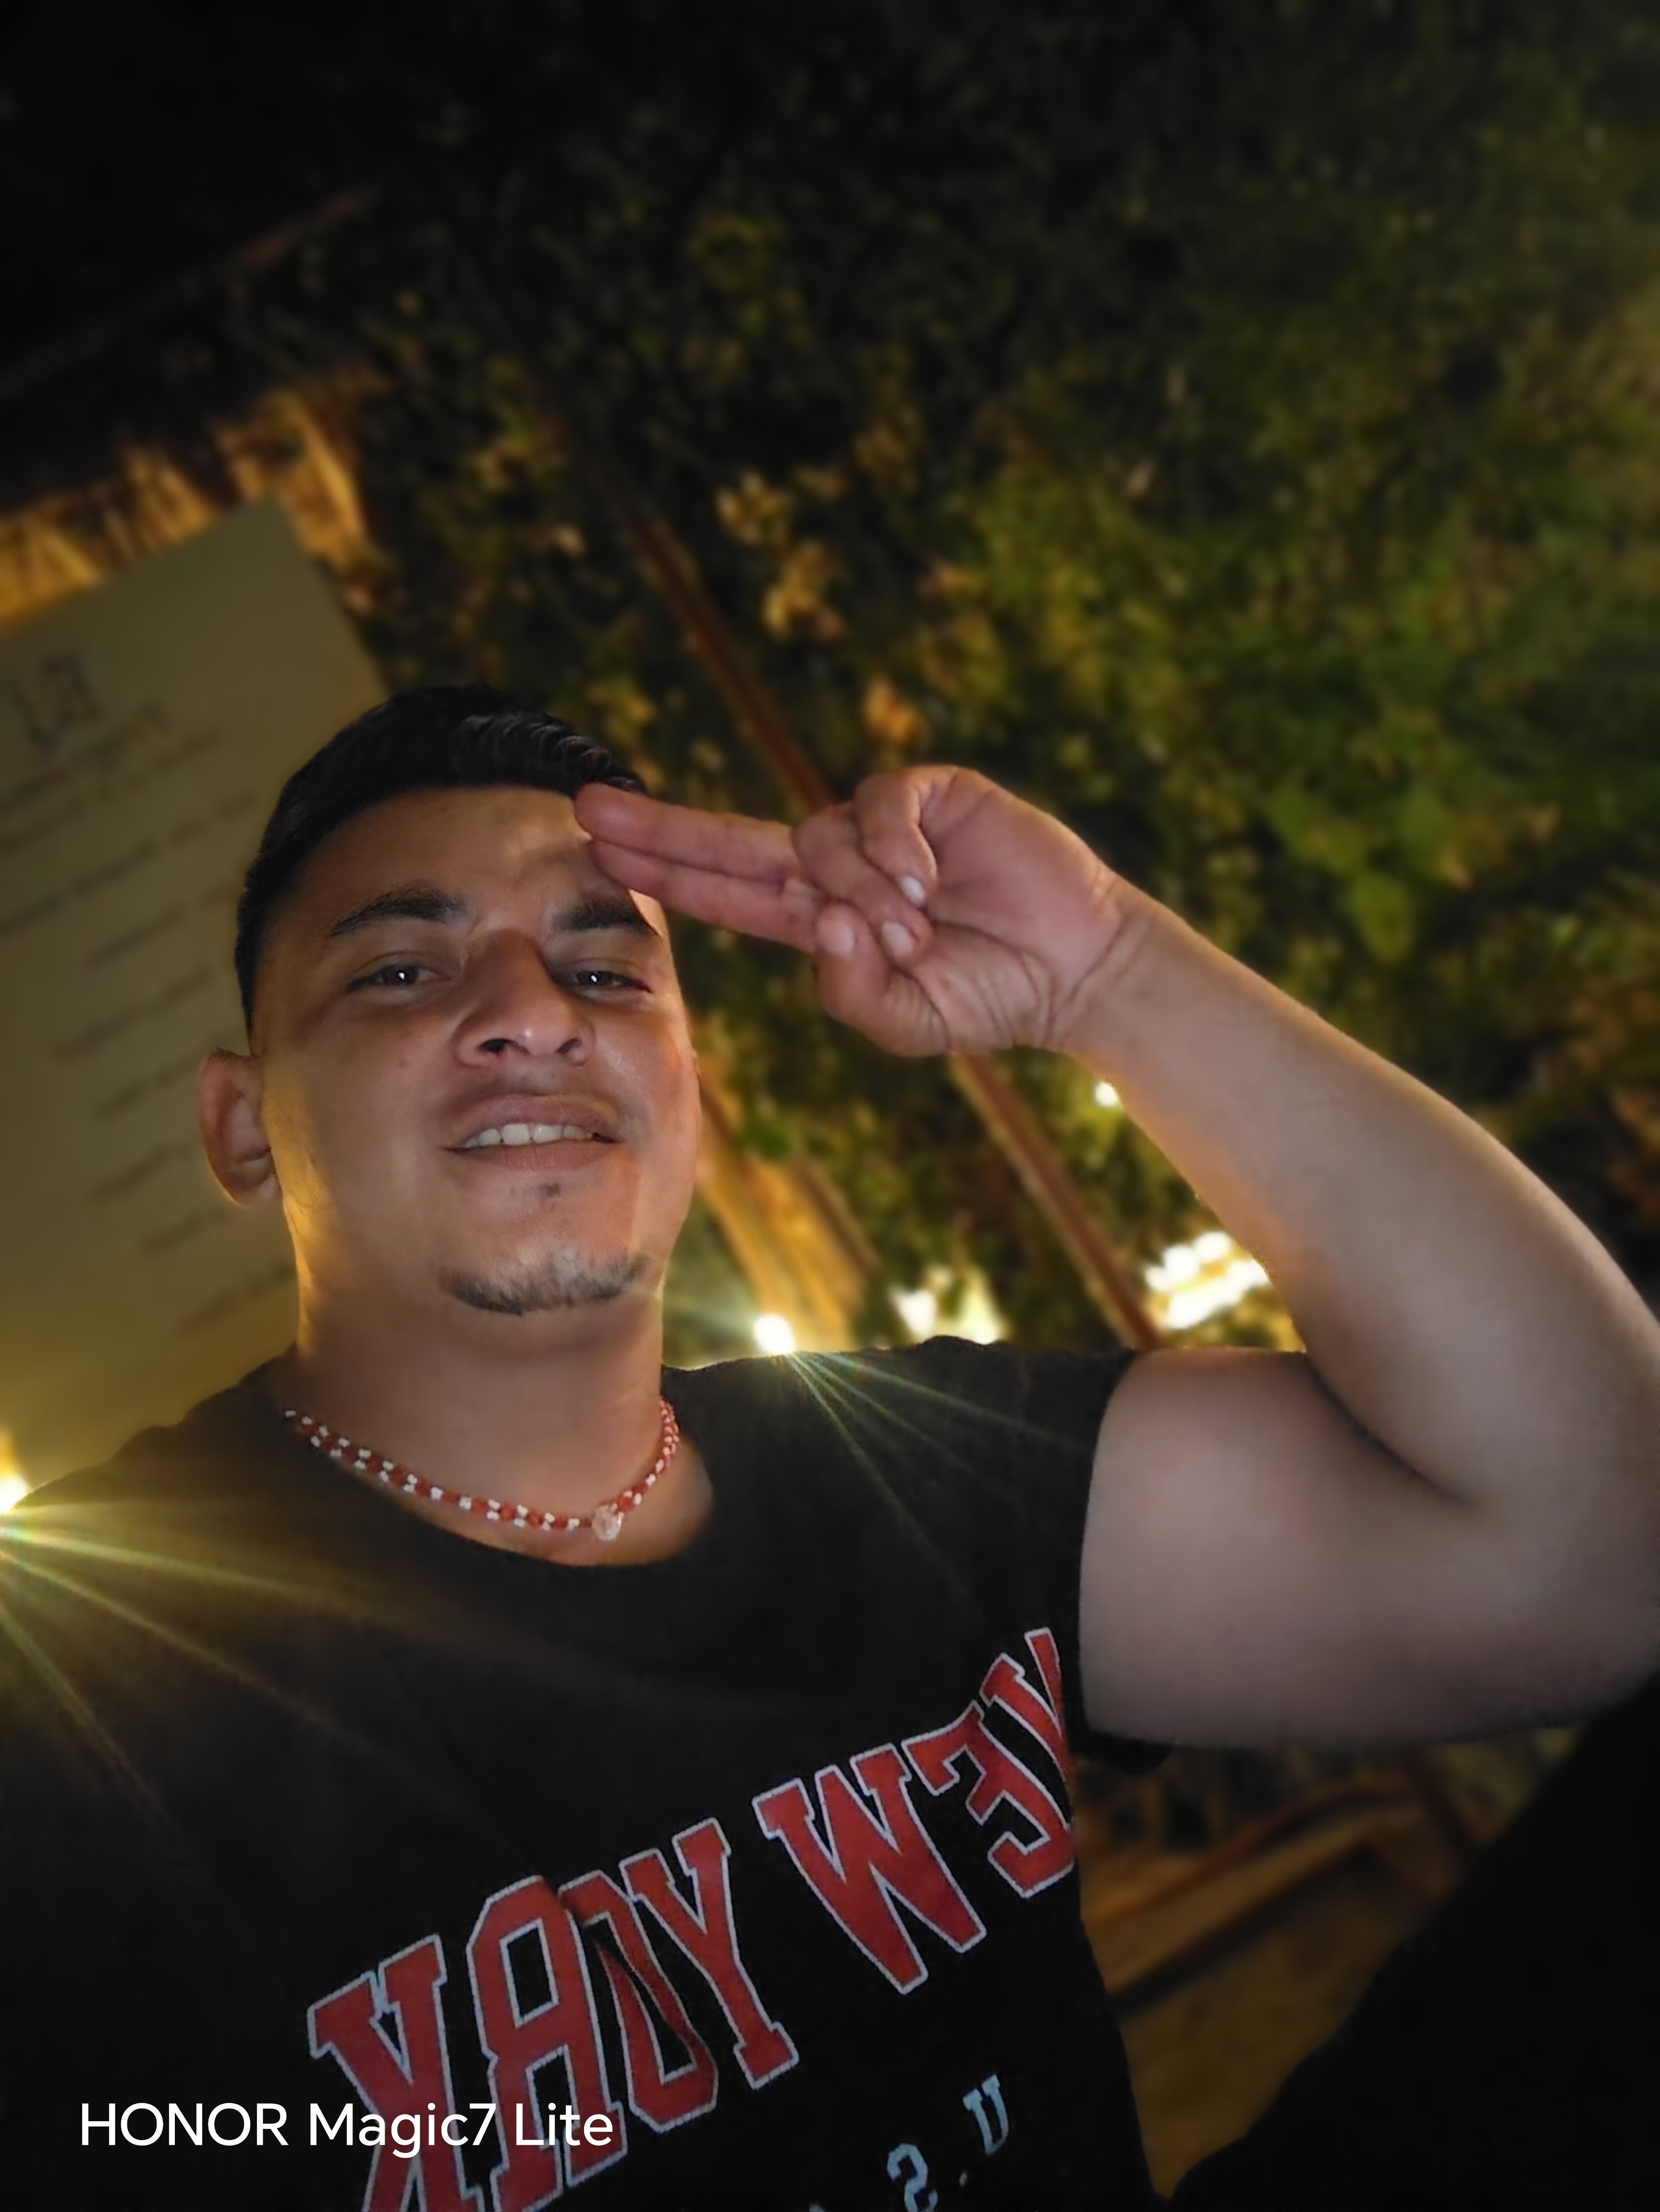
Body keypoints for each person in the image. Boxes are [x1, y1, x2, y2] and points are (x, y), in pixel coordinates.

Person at [1, 684, 1655, 2212]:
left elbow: (1599, 1546)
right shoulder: (77, 1689)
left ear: (688, 1086)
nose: (530, 1014)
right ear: (242, 1125)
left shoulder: (914, 1475)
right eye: (400, 972)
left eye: (606, 971)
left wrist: (1108, 974)